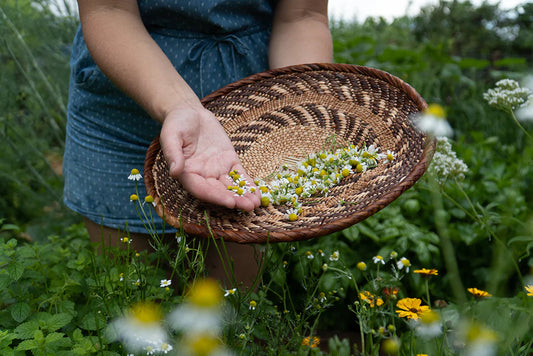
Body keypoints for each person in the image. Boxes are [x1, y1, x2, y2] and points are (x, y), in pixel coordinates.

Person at [63, 0, 333, 286]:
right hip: (122, 111)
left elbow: (302, 16)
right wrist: (181, 106)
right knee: (135, 300)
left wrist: (299, 109)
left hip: (251, 122)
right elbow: (108, 10)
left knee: (229, 310)